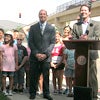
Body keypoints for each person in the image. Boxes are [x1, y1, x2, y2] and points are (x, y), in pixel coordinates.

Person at [72, 4, 100, 98]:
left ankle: (94, 95)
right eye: (82, 10)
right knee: (80, 76)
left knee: (92, 76)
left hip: (91, 54)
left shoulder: (96, 24)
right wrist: (79, 39)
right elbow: (73, 38)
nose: (83, 12)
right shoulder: (76, 25)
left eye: (85, 10)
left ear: (89, 12)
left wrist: (88, 38)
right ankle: (81, 96)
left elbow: (98, 37)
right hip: (80, 55)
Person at [28, 9, 55, 100]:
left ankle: (46, 93)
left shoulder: (51, 28)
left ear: (47, 16)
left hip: (46, 58)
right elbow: (30, 42)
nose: (42, 15)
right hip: (34, 57)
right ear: (38, 16)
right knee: (33, 76)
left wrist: (46, 54)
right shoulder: (33, 27)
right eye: (40, 14)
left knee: (46, 76)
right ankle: (32, 93)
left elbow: (52, 43)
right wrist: (36, 53)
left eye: (44, 14)